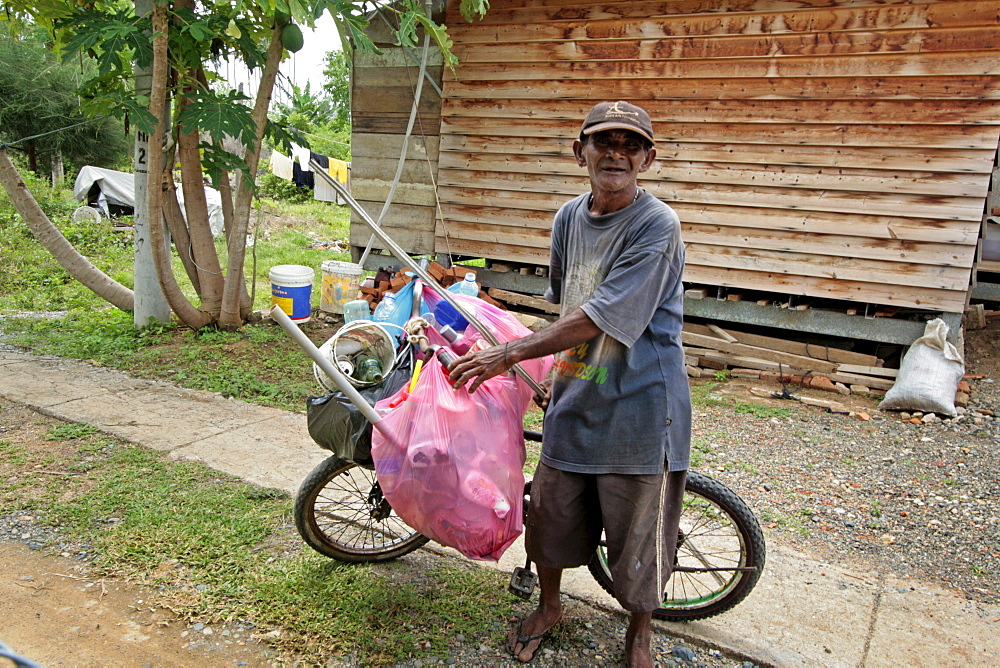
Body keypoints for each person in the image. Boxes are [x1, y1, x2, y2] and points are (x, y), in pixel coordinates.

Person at [447, 100, 691, 668]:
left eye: (631, 145)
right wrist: (552, 370)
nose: (617, 154)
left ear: (648, 160)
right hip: (580, 384)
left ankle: (640, 629)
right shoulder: (567, 219)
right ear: (578, 150)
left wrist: (507, 354)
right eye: (604, 141)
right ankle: (551, 605)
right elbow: (570, 306)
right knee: (550, 514)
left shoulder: (657, 226)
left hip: (641, 402)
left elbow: (600, 315)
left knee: (637, 535)